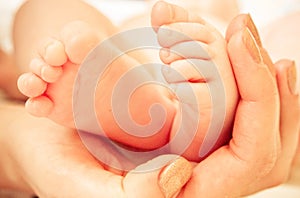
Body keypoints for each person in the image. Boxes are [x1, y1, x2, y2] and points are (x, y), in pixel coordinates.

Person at [0, 0, 299, 197]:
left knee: (47, 12)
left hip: (140, 51)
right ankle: (192, 114)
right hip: (173, 54)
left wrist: (16, 75)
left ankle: (146, 115)